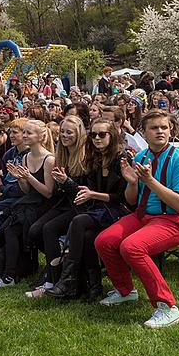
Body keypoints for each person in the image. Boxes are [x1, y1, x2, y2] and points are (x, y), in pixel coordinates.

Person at [95, 109, 179, 329]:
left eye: (164, 127)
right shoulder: (141, 158)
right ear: (144, 132)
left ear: (171, 131)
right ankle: (125, 291)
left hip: (174, 220)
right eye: (154, 128)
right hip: (145, 216)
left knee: (132, 247)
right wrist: (132, 182)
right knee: (104, 240)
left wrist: (149, 181)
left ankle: (167, 307)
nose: (160, 132)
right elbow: (132, 200)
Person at [46, 118, 129, 301]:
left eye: (102, 134)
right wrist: (66, 182)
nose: (97, 138)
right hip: (99, 210)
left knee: (79, 220)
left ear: (112, 135)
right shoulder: (96, 159)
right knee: (87, 236)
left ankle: (68, 279)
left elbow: (122, 198)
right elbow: (85, 191)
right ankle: (93, 286)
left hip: (118, 211)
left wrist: (94, 195)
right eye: (93, 135)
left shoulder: (122, 159)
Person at [0, 120, 57, 289]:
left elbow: (48, 192)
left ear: (41, 137)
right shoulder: (26, 157)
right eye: (24, 132)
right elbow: (26, 190)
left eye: (29, 133)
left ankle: (1, 274)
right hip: (28, 203)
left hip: (43, 206)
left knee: (9, 227)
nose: (24, 136)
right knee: (7, 229)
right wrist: (21, 179)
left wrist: (28, 177)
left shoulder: (49, 159)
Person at [26, 115, 87, 296]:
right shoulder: (61, 155)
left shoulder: (85, 156)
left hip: (79, 205)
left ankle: (52, 280)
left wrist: (66, 182)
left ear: (79, 134)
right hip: (63, 203)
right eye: (62, 132)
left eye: (70, 132)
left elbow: (83, 191)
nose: (65, 135)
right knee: (34, 230)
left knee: (49, 229)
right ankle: (58, 266)